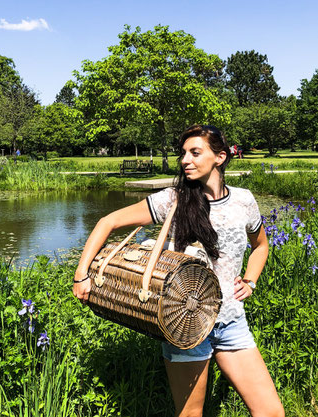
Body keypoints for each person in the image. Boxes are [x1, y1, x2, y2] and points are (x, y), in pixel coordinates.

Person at [73, 124, 284, 417]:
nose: (185, 159)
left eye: (195, 152)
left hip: (231, 322)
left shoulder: (243, 200)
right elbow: (107, 222)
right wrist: (81, 275)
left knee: (272, 412)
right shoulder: (172, 199)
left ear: (220, 157)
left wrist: (250, 280)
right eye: (183, 153)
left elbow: (260, 246)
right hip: (184, 322)